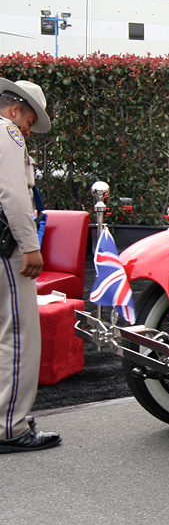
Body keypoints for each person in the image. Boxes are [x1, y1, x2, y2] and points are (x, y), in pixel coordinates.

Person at [0, 78, 60, 453]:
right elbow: (13, 195)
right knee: (19, 336)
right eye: (28, 122)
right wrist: (30, 246)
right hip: (6, 250)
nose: (27, 131)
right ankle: (10, 426)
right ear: (16, 109)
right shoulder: (7, 131)